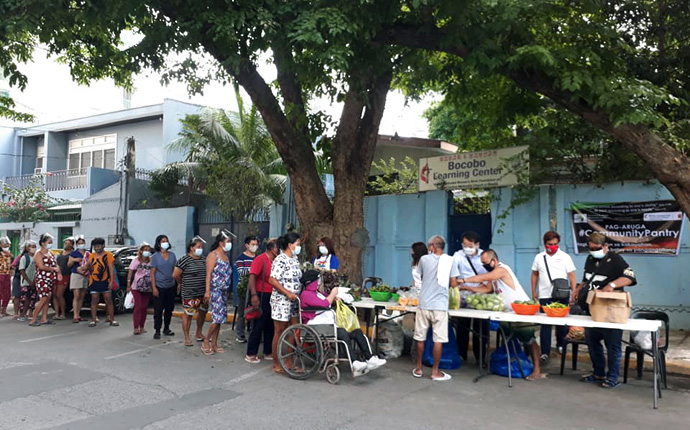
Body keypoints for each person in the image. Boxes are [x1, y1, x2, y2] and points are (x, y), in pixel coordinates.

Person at [459, 249, 545, 380]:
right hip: (507, 313)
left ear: (494, 261)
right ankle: (520, 364)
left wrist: (463, 280)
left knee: (529, 340)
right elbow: (487, 289)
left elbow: (485, 277)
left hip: (522, 311)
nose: (484, 266)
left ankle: (537, 370)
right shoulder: (493, 274)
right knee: (512, 339)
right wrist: (469, 288)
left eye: (486, 263)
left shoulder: (502, 269)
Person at [575, 232, 636, 389]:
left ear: (605, 246)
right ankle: (598, 373)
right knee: (592, 341)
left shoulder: (615, 259)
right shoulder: (590, 259)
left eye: (596, 248)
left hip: (611, 310)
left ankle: (613, 377)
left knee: (613, 346)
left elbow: (630, 277)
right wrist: (578, 289)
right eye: (591, 248)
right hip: (593, 309)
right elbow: (586, 278)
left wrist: (613, 285)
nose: (593, 251)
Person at [300, 273, 386, 373]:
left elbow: (328, 300)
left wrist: (336, 298)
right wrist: (333, 293)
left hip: (327, 322)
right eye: (317, 280)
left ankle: (369, 358)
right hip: (316, 325)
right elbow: (324, 304)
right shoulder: (306, 294)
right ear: (312, 282)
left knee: (357, 331)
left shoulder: (317, 293)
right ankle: (354, 362)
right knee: (342, 333)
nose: (319, 282)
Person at [413, 235, 459, 381]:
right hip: (440, 306)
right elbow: (453, 283)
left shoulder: (424, 259)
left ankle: (419, 368)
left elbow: (420, 277)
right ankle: (435, 372)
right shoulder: (451, 260)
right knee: (438, 339)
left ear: (432, 247)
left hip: (424, 303)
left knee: (420, 338)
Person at [530, 231, 577, 361]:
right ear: (545, 244)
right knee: (545, 324)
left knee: (561, 323)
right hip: (545, 295)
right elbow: (534, 275)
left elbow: (571, 276)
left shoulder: (565, 257)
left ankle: (561, 345)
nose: (553, 246)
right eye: (550, 244)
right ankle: (545, 352)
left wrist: (574, 292)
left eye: (555, 244)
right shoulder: (539, 257)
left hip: (561, 294)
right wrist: (534, 291)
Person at [451, 231, 489, 365]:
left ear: (477, 245)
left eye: (470, 245)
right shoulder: (458, 256)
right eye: (465, 245)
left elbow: (488, 277)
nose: (467, 248)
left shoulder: (484, 256)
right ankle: (462, 355)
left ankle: (481, 358)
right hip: (463, 296)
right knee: (462, 327)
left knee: (481, 329)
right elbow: (453, 273)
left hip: (480, 295)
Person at [269, 232, 303, 374]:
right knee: (279, 331)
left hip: (295, 301)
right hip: (281, 301)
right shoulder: (280, 260)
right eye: (298, 244)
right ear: (290, 245)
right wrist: (287, 293)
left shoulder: (295, 259)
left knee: (295, 330)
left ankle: (289, 361)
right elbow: (272, 280)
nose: (299, 247)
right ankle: (276, 363)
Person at [245, 239, 278, 363]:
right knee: (258, 324)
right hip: (261, 294)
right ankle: (251, 352)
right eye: (278, 248)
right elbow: (252, 276)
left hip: (273, 295)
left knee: (270, 325)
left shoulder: (276, 260)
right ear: (272, 249)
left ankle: (268, 351)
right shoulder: (260, 259)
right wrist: (254, 295)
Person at [202, 232, 233, 355]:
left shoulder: (225, 256)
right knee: (217, 318)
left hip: (223, 291)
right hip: (215, 290)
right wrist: (207, 291)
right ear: (221, 243)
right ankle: (206, 340)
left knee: (220, 319)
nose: (230, 244)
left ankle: (214, 343)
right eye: (228, 241)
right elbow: (209, 274)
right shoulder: (213, 255)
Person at [173, 237, 208, 346]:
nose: (200, 249)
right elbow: (176, 275)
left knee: (202, 313)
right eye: (198, 247)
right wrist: (182, 283)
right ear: (191, 248)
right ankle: (187, 337)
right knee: (188, 314)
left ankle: (199, 333)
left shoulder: (204, 259)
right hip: (189, 292)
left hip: (202, 292)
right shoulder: (184, 260)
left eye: (201, 247)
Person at [29, 233, 61, 326]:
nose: (51, 243)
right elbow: (41, 266)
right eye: (49, 242)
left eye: (51, 242)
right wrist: (53, 269)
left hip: (50, 279)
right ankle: (33, 319)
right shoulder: (38, 254)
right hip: (42, 279)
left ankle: (44, 318)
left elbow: (55, 264)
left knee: (47, 298)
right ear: (43, 243)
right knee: (43, 298)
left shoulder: (51, 253)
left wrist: (58, 272)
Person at [86, 237, 118, 327]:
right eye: (95, 246)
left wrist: (111, 281)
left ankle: (112, 319)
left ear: (103, 245)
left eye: (98, 246)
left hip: (105, 280)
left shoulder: (108, 255)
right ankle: (93, 319)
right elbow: (89, 267)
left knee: (108, 300)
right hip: (94, 280)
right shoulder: (91, 256)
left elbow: (111, 269)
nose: (97, 248)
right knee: (94, 300)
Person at [150, 234, 177, 339]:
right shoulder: (155, 257)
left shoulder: (172, 255)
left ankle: (167, 328)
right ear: (158, 244)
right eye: (162, 241)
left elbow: (175, 270)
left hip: (170, 286)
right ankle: (157, 330)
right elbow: (152, 273)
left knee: (169, 309)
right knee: (158, 310)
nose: (165, 243)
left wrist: (177, 284)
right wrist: (154, 288)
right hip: (159, 286)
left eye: (166, 241)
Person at [233, 235, 259, 343]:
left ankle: (254, 334)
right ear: (247, 245)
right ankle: (240, 334)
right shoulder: (241, 258)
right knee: (242, 312)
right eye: (253, 244)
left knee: (255, 311)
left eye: (256, 244)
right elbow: (241, 272)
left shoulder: (258, 258)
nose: (255, 247)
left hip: (256, 288)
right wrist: (254, 272)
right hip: (244, 288)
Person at [127, 242, 154, 335]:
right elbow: (130, 272)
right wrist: (128, 284)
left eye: (149, 250)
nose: (147, 252)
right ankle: (136, 327)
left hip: (147, 287)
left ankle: (142, 326)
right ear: (141, 251)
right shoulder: (136, 261)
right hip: (136, 287)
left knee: (144, 307)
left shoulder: (151, 261)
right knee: (138, 306)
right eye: (145, 250)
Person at [68, 236, 89, 323]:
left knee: (82, 295)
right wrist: (75, 260)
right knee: (76, 295)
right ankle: (75, 315)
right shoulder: (73, 253)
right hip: (76, 274)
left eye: (82, 243)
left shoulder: (88, 253)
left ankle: (79, 314)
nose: (81, 245)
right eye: (79, 244)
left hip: (85, 275)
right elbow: (69, 264)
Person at [52, 237, 74, 320]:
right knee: (54, 294)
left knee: (59, 294)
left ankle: (63, 313)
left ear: (72, 245)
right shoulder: (61, 252)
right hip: (57, 274)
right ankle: (57, 313)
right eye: (65, 243)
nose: (67, 245)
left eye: (69, 243)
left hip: (65, 275)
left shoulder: (72, 254)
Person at [16, 241, 37, 321]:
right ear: (28, 248)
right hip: (25, 283)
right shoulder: (25, 257)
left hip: (34, 282)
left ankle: (29, 313)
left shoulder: (36, 257)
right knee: (24, 299)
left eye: (35, 246)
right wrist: (29, 281)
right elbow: (22, 270)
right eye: (32, 246)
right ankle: (22, 314)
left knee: (32, 299)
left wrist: (34, 281)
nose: (34, 248)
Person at [0, 236, 13, 317]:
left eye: (7, 245)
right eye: (4, 245)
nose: (6, 246)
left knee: (7, 293)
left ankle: (4, 310)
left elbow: (11, 264)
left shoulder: (9, 254)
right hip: (0, 274)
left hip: (7, 274)